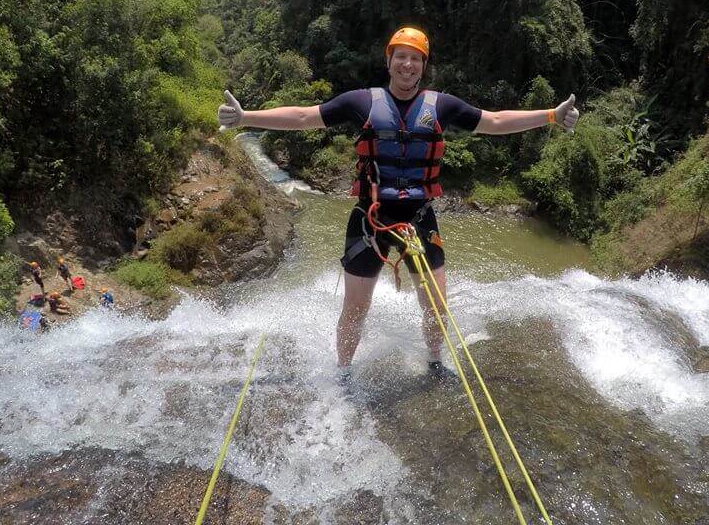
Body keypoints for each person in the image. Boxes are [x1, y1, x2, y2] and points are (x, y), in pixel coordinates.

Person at [217, 26, 579, 380]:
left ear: (424, 65)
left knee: (436, 306)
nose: (408, 65)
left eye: (415, 59)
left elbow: (495, 121)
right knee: (356, 307)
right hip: (370, 217)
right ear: (389, 61)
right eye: (401, 57)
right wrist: (245, 117)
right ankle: (343, 371)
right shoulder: (360, 101)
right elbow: (304, 116)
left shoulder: (443, 106)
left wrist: (551, 116)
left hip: (420, 217)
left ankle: (435, 361)